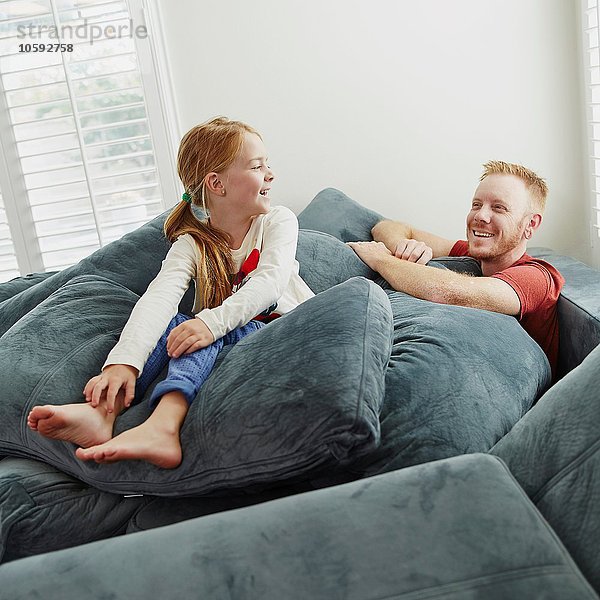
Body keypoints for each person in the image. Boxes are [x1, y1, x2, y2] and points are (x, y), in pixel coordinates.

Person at [27, 117, 315, 469]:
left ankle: (164, 424)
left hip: (283, 329)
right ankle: (103, 411)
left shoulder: (277, 221)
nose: (271, 174)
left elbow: (268, 284)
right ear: (217, 183)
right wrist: (121, 363)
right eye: (258, 167)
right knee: (179, 325)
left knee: (200, 329)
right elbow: (157, 300)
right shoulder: (192, 245)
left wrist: (209, 324)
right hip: (226, 335)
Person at [347, 160, 564, 377]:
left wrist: (382, 260)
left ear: (531, 225)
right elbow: (387, 226)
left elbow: (452, 292)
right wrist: (402, 246)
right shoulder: (470, 254)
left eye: (499, 208)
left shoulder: (538, 276)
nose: (480, 216)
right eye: (476, 205)